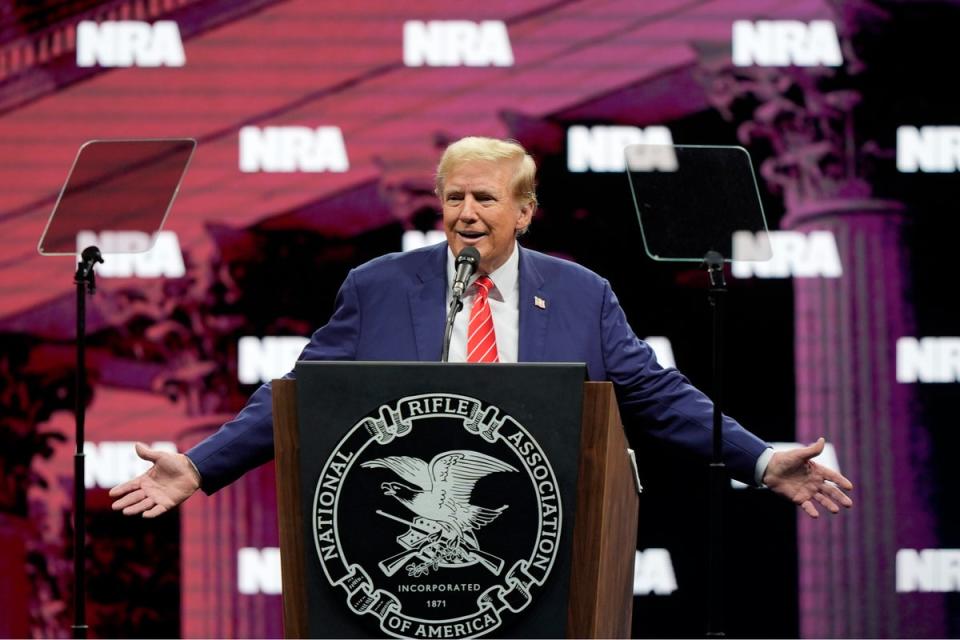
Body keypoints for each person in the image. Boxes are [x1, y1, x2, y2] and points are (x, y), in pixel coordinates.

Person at [110, 136, 853, 519]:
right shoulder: (377, 289)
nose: (467, 213)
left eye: (487, 200)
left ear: (525, 211)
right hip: (402, 546)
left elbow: (658, 397)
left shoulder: (581, 294)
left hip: (547, 535)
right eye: (455, 197)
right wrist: (203, 466)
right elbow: (297, 396)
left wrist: (758, 459)